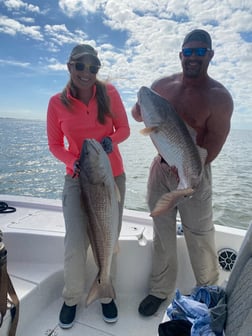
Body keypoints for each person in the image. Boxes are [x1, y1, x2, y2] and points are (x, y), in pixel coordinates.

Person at [131, 29, 233, 317]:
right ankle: (159, 291)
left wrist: (189, 176)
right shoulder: (161, 86)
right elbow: (139, 116)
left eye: (200, 52)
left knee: (200, 236)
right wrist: (139, 110)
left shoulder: (219, 98)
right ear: (180, 54)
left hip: (195, 173)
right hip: (160, 170)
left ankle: (208, 292)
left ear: (210, 55)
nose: (193, 57)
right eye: (188, 51)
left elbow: (212, 146)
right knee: (162, 234)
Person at [47, 44, 130, 328]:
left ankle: (107, 294)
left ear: (97, 69)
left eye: (92, 67)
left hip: (111, 177)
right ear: (69, 67)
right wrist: (73, 161)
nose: (86, 72)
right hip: (76, 179)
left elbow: (125, 129)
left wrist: (112, 141)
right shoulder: (56, 103)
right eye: (80, 66)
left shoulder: (110, 93)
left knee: (108, 239)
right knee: (75, 243)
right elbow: (55, 145)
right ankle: (71, 298)